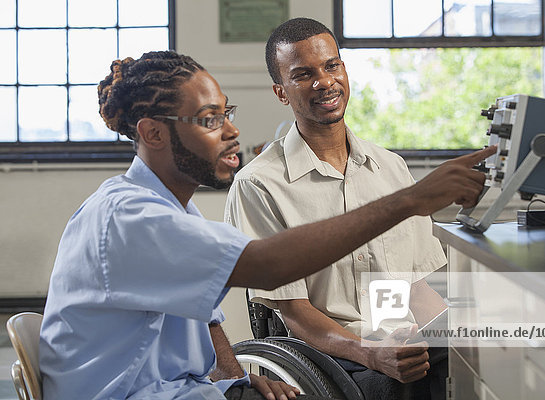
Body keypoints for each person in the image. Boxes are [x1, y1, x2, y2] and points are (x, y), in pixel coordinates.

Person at [39, 50, 494, 400]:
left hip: (189, 390)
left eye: (226, 113)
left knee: (474, 347)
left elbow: (207, 317)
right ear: (154, 133)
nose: (231, 131)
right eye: (209, 120)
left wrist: (235, 382)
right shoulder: (130, 216)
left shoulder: (172, 209)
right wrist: (411, 200)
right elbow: (267, 266)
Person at [224, 18, 458, 400]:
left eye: (332, 66)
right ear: (281, 92)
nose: (324, 82)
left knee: (494, 355)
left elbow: (415, 291)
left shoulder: (391, 168)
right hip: (336, 359)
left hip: (405, 343)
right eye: (303, 74)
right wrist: (372, 353)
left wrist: (455, 334)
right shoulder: (259, 185)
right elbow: (296, 315)